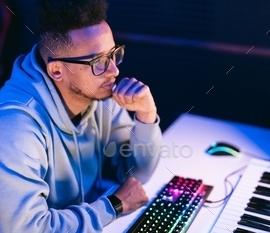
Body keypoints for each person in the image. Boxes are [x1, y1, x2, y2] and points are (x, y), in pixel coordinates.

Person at [0, 0, 162, 232]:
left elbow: (137, 174)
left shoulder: (98, 94)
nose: (114, 71)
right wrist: (113, 205)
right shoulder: (14, 127)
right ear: (57, 70)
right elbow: (26, 228)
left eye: (114, 54)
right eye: (99, 62)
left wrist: (146, 116)